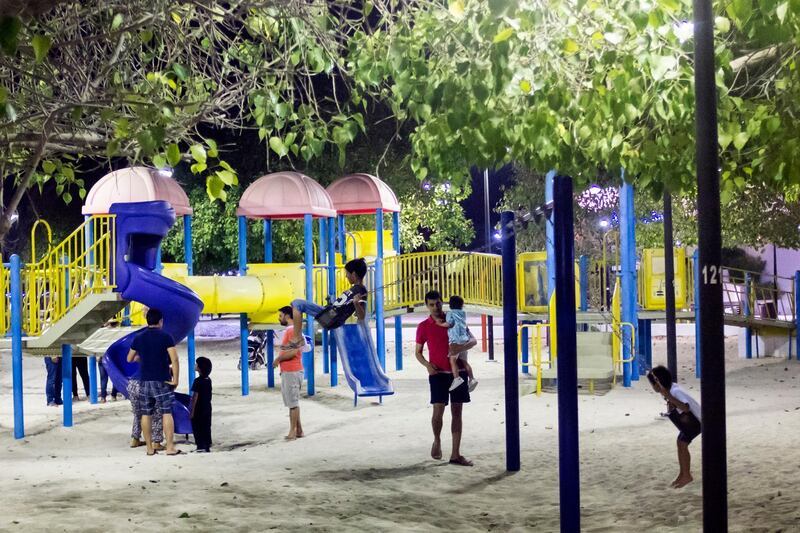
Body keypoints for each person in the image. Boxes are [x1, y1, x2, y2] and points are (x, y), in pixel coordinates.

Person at [415, 290, 475, 466]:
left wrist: (460, 348)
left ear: (443, 303)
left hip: (459, 373)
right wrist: (427, 365)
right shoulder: (423, 326)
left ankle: (455, 454)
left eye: (438, 303)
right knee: (437, 412)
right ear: (426, 306)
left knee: (457, 413)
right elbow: (418, 353)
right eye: (431, 304)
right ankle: (437, 440)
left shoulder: (454, 319)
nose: (435, 307)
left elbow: (472, 340)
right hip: (438, 374)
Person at [127, 308, 181, 456]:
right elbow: (174, 359)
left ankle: (149, 448)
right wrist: (175, 379)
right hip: (162, 379)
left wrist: (141, 358)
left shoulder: (139, 337)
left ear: (147, 320)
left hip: (144, 381)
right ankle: (169, 447)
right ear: (161, 321)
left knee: (146, 414)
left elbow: (129, 358)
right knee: (166, 413)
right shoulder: (166, 337)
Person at [289, 257, 367, 346]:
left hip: (332, 317)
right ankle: (298, 338)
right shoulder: (354, 289)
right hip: (329, 314)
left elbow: (361, 316)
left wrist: (356, 303)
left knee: (297, 304)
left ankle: (297, 338)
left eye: (347, 274)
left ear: (353, 274)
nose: (346, 276)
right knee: (297, 304)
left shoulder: (361, 291)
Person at [647, 365, 702, 488]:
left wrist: (670, 397)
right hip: (692, 422)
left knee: (682, 444)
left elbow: (685, 407)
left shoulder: (675, 391)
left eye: (652, 384)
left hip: (697, 421)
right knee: (681, 443)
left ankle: (686, 475)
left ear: (657, 384)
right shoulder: (672, 389)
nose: (653, 387)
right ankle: (683, 474)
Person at [274, 305, 305, 440]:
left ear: (287, 316)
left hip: (292, 370)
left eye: (281, 316)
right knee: (292, 401)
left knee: (293, 403)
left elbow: (293, 351)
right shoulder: (291, 331)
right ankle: (299, 430)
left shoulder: (291, 331)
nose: (279, 318)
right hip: (290, 371)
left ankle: (293, 431)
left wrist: (278, 359)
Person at [435, 295, 478, 392]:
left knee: (452, 360)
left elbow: (450, 324)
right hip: (464, 339)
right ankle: (472, 378)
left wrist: (440, 324)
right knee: (464, 361)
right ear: (462, 305)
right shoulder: (463, 313)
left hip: (455, 340)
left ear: (450, 305)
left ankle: (457, 378)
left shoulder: (450, 313)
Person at [190, 357, 213, 452]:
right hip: (207, 407)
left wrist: (192, 411)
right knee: (206, 426)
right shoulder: (208, 380)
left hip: (199, 408)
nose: (195, 366)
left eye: (196, 364)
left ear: (200, 368)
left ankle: (200, 445)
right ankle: (207, 444)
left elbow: (195, 397)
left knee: (197, 426)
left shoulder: (197, 381)